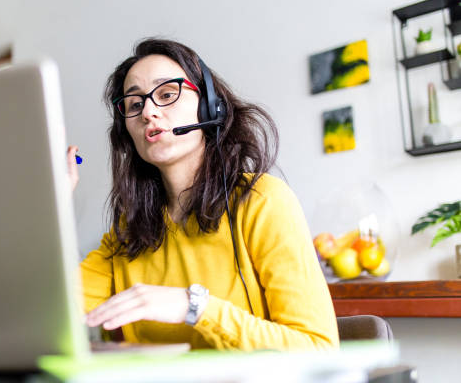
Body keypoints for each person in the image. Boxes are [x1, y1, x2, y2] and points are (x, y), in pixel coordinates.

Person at [66, 38, 339, 350]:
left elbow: (318, 347)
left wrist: (195, 307)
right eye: (135, 104)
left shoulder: (263, 200)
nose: (149, 112)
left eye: (167, 94)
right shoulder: (131, 230)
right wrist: (51, 206)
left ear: (210, 106)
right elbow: (46, 311)